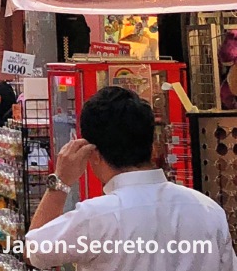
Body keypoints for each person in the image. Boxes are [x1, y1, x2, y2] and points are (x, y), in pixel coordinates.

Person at [24, 86, 237, 271]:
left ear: (93, 154)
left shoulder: (94, 218)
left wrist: (60, 182)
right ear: (153, 147)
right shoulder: (209, 210)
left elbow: (33, 252)